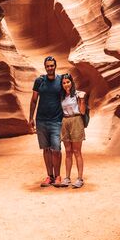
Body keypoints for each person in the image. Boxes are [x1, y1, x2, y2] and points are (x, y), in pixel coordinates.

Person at [29, 56, 64, 187]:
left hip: (56, 120)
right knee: (46, 149)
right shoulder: (39, 81)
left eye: (52, 65)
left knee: (56, 149)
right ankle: (49, 176)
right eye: (48, 66)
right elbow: (33, 100)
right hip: (41, 120)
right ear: (45, 67)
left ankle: (58, 176)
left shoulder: (61, 81)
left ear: (55, 66)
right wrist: (30, 118)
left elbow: (67, 97)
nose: (50, 68)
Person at [59, 73, 88, 189]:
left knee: (77, 151)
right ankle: (67, 177)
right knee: (68, 151)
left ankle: (80, 178)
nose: (66, 84)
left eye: (68, 82)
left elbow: (82, 111)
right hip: (65, 122)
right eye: (64, 83)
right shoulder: (61, 97)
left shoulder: (77, 94)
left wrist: (82, 99)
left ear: (72, 82)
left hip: (76, 120)